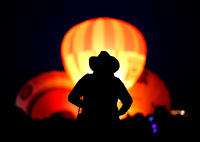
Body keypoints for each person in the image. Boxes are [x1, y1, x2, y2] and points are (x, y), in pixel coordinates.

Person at [68, 51, 132, 121]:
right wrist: (118, 113)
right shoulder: (115, 82)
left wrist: (86, 106)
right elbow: (128, 100)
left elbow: (72, 97)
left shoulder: (87, 79)